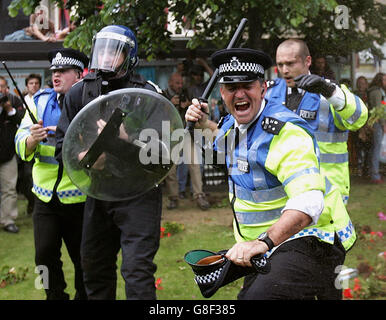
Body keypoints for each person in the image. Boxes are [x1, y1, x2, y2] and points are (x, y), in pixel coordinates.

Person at [185, 47, 356, 300]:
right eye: (232, 88)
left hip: (312, 240)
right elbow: (222, 153)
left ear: (263, 88)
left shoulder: (286, 132)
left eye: (247, 86)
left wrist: (262, 243)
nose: (240, 94)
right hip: (271, 246)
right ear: (222, 93)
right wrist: (200, 125)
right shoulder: (233, 125)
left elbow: (308, 202)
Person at [55, 25, 164, 300]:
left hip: (140, 192)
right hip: (99, 191)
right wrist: (84, 158)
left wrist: (129, 141)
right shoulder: (79, 93)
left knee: (137, 270)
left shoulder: (147, 93)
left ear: (130, 56)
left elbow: (164, 154)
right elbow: (62, 145)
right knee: (94, 266)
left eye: (114, 52)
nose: (106, 57)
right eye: (101, 49)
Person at [15, 48, 89, 299]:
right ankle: (54, 295)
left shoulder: (91, 102)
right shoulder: (39, 100)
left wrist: (72, 135)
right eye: (54, 71)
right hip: (45, 198)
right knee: (43, 256)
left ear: (79, 75)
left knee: (84, 259)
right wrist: (31, 141)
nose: (55, 75)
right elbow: (20, 138)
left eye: (63, 71)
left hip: (80, 198)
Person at [268, 39, 368, 205]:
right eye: (280, 64)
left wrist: (329, 92)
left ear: (308, 61)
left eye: (290, 63)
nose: (284, 70)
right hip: (286, 193)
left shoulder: (329, 90)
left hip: (327, 194)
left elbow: (358, 118)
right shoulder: (270, 93)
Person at [162, 72, 190, 209]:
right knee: (171, 169)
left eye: (181, 83)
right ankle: (174, 197)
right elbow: (158, 115)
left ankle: (199, 195)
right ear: (170, 83)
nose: (180, 85)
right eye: (177, 83)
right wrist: (169, 105)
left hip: (185, 133)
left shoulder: (185, 93)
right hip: (169, 136)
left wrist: (188, 106)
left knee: (194, 164)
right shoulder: (163, 95)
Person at [0, 76, 24, 233]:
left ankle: (7, 220)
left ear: (6, 88)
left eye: (1, 87)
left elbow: (22, 121)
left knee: (9, 189)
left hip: (8, 155)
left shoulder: (14, 101)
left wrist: (9, 110)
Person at [17, 73, 42, 214]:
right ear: (27, 86)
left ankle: (34, 203)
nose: (34, 86)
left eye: (36, 83)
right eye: (31, 83)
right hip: (25, 145)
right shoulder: (20, 102)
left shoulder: (45, 101)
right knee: (26, 177)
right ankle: (31, 201)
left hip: (40, 148)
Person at [367, 72, 386, 184]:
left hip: (377, 122)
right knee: (376, 148)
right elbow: (378, 109)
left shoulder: (377, 91)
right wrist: (383, 124)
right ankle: (375, 175)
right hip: (377, 123)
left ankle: (375, 173)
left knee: (376, 147)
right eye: (384, 80)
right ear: (380, 81)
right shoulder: (377, 92)